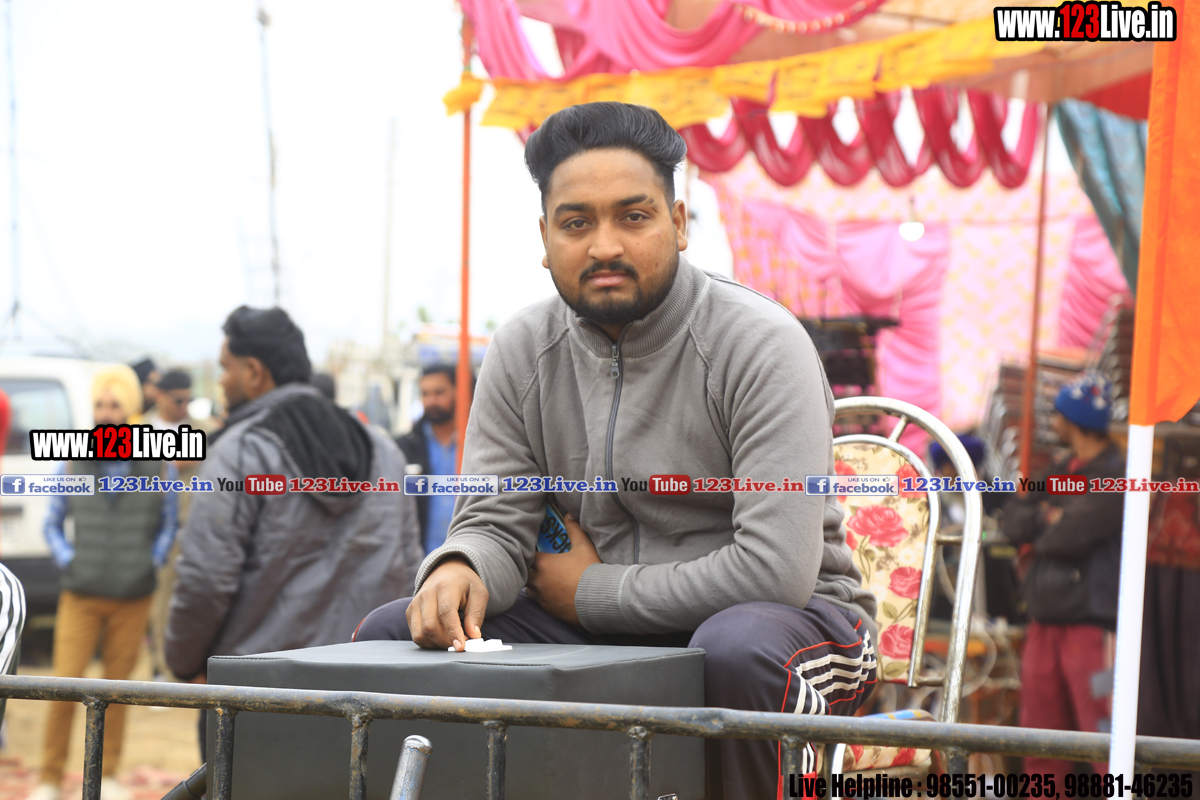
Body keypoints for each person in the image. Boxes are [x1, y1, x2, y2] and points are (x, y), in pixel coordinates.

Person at [354, 102, 878, 800]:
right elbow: (495, 523)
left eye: (633, 216)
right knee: (396, 631)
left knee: (737, 647)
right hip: (593, 633)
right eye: (577, 223)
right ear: (545, 238)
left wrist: (590, 593)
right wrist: (460, 567)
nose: (605, 246)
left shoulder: (760, 344)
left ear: (679, 223)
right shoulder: (521, 350)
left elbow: (773, 572)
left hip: (793, 628)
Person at [165, 306, 423, 755]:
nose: (221, 381)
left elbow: (205, 579)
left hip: (256, 704)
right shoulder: (383, 451)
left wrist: (183, 661)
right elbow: (407, 571)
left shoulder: (239, 453)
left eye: (225, 368)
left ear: (253, 372)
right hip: (365, 702)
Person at [27, 366, 178, 800]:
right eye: (99, 405)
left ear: (129, 409)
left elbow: (169, 522)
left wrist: (150, 561)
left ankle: (107, 775)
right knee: (62, 686)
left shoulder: (157, 462)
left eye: (115, 405)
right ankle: (49, 779)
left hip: (133, 595)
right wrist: (70, 559)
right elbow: (53, 521)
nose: (106, 413)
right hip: (81, 593)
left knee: (117, 689)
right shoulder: (73, 458)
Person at [1003, 373, 1124, 787]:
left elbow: (1069, 535)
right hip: (1043, 622)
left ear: (1073, 420)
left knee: (1105, 739)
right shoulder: (1056, 469)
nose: (1053, 421)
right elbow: (1012, 518)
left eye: (1058, 414)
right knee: (1040, 741)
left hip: (1092, 628)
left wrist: (1046, 520)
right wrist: (1049, 518)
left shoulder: (1117, 474)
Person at [395, 365, 471, 553]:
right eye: (425, 394)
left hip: (470, 557)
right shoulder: (404, 448)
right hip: (420, 559)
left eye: (439, 392)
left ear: (458, 392)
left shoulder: (479, 443)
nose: (431, 401)